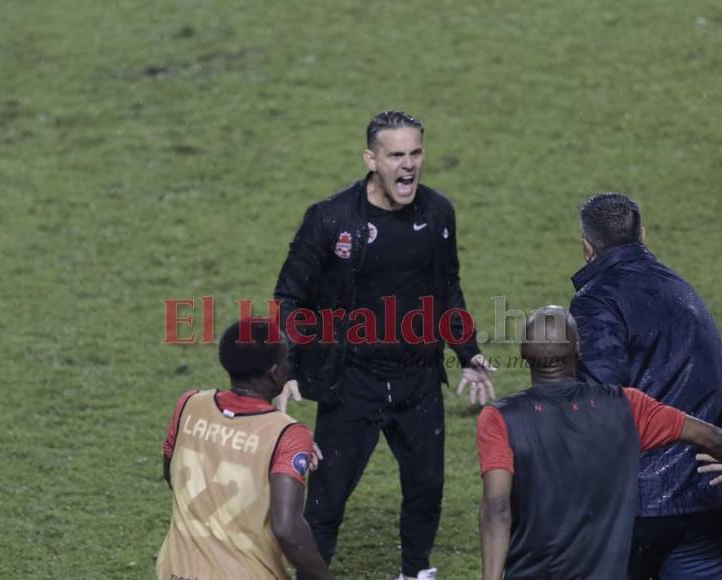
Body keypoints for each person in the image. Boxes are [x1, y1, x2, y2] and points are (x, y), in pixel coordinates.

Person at [274, 111, 495, 580]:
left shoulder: (438, 213)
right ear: (371, 159)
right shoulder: (331, 219)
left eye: (416, 152)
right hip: (352, 380)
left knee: (426, 489)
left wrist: (467, 352)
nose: (408, 164)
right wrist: (288, 366)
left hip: (417, 378)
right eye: (396, 154)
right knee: (327, 499)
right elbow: (290, 296)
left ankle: (415, 572)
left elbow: (447, 287)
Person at [476, 306, 722, 580]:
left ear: (523, 353)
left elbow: (496, 507)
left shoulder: (499, 419)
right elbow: (714, 438)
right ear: (578, 349)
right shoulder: (629, 407)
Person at [570, 192, 722, 579]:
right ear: (643, 234)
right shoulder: (683, 289)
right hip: (709, 490)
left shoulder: (595, 301)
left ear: (587, 248)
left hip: (638, 503)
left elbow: (603, 402)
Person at [156, 319, 333, 580]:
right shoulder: (287, 434)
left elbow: (172, 475)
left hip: (175, 571)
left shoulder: (189, 405)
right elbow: (287, 528)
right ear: (274, 372)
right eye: (286, 360)